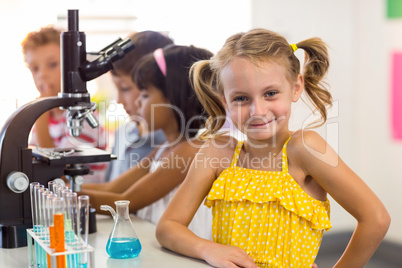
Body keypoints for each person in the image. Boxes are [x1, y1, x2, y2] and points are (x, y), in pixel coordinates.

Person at [155, 28, 391, 267]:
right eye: (241, 98)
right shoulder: (218, 152)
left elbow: (376, 218)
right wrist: (208, 249)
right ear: (224, 99)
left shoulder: (304, 149)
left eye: (270, 94)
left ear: (296, 87)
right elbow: (167, 227)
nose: (257, 111)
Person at [79, 45, 214, 240]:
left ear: (173, 98)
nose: (138, 103)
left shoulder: (191, 151)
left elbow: (126, 201)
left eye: (144, 94)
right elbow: (113, 188)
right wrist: (60, 185)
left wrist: (65, 197)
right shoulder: (165, 148)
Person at [21, 26, 107, 183]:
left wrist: (39, 112)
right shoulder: (46, 120)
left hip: (85, 199)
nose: (42, 74)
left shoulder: (82, 117)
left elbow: (57, 173)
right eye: (35, 68)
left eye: (53, 64)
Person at [105, 30, 173, 181]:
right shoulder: (122, 133)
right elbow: (109, 186)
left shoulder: (171, 144)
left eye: (125, 88)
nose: (119, 101)